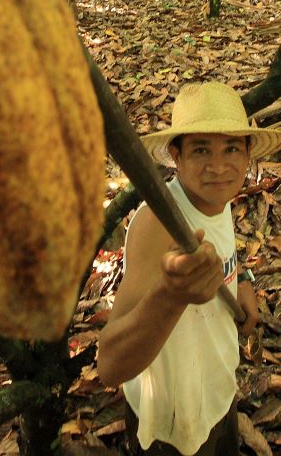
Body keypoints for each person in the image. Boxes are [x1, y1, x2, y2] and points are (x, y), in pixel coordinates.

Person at [97, 81, 281, 456]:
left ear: (248, 155)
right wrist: (170, 295)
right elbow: (111, 366)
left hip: (216, 393)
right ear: (176, 157)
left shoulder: (218, 196)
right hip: (174, 425)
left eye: (231, 147)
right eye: (200, 149)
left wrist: (242, 280)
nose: (218, 166)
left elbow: (226, 254)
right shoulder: (158, 225)